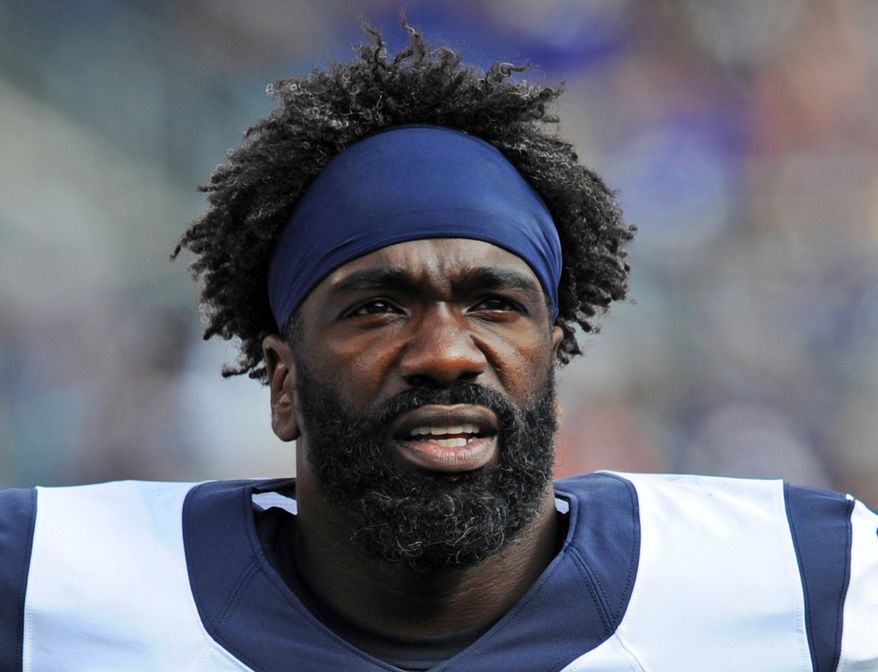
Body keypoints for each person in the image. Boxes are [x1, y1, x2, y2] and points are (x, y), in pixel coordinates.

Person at [1, 24, 876, 672]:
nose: (449, 353)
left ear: (557, 366)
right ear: (281, 383)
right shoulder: (53, 582)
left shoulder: (806, 578)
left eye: (496, 304)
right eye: (378, 306)